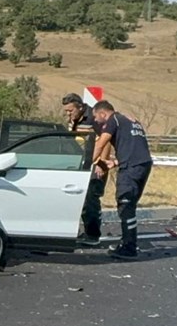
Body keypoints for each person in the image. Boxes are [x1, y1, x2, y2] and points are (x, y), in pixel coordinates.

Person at [91, 100, 153, 259]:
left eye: (96, 117)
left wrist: (85, 162)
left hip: (131, 168)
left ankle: (129, 247)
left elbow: (100, 144)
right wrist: (116, 162)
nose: (96, 121)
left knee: (125, 204)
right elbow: (134, 146)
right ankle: (127, 240)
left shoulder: (113, 120)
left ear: (103, 113)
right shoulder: (131, 121)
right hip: (143, 165)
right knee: (129, 205)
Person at [62, 93, 105, 244]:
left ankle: (93, 235)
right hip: (78, 162)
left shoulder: (94, 118)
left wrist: (101, 163)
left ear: (80, 107)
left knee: (90, 199)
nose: (68, 113)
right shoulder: (73, 120)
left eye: (71, 110)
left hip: (94, 163)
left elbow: (106, 140)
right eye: (66, 111)